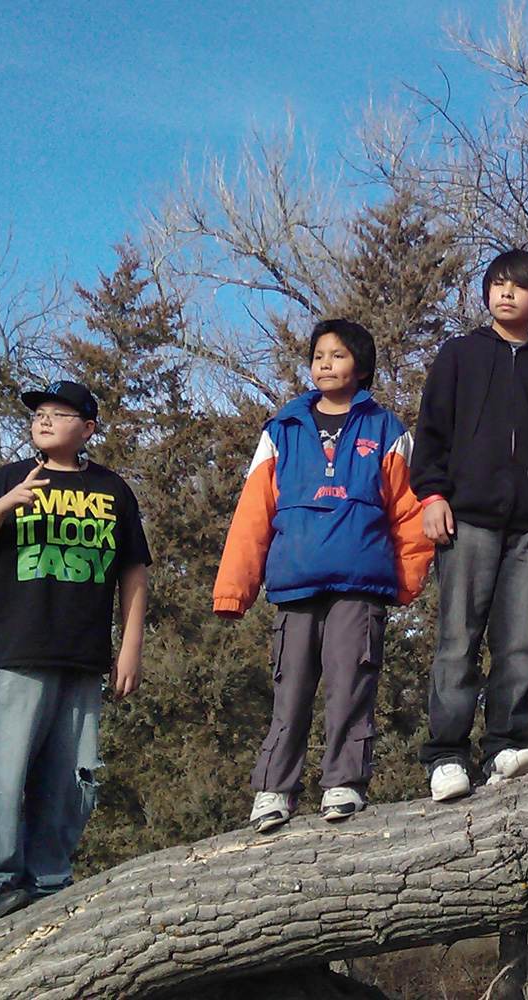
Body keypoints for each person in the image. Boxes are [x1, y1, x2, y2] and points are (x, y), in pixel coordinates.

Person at [0, 380, 150, 930]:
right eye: (39, 412)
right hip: (16, 651)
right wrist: (3, 509)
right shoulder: (6, 480)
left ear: (87, 429)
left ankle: (47, 882)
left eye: (59, 414)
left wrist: (129, 646)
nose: (44, 420)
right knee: (3, 774)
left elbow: (133, 571)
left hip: (84, 658)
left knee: (71, 780)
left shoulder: (113, 490)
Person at [214, 320, 431, 832]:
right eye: (318, 355)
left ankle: (345, 783)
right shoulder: (281, 430)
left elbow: (411, 512)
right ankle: (274, 790)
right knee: (289, 689)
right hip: (294, 583)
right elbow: (253, 513)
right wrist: (234, 589)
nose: (325, 363)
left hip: (360, 585)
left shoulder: (387, 430)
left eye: (337, 355)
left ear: (361, 365)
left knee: (350, 684)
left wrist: (406, 581)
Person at [411, 249, 528, 801]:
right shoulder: (459, 355)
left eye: (517, 285)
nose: (505, 293)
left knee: (519, 643)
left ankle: (505, 748)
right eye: (496, 283)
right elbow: (431, 433)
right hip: (465, 520)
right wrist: (432, 495)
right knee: (457, 640)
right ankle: (446, 755)